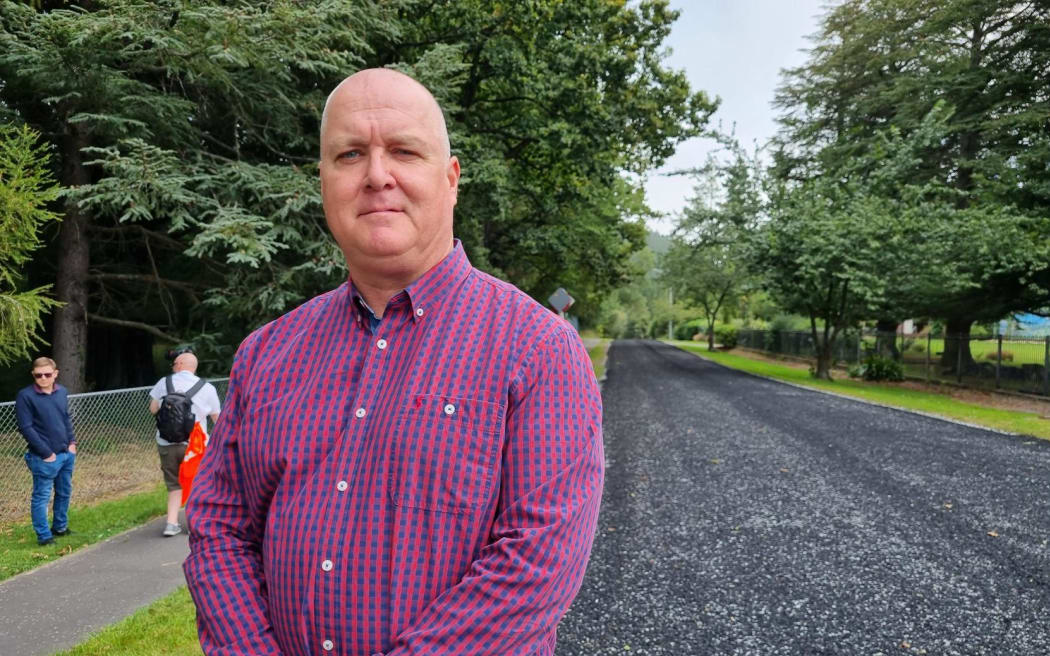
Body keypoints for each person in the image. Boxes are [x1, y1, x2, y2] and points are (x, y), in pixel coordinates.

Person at [184, 68, 605, 656]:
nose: (377, 176)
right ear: (324, 182)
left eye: (404, 151)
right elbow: (218, 531)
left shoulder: (537, 349)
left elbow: (537, 563)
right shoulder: (266, 354)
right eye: (350, 154)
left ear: (452, 179)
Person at [148, 351, 221, 537]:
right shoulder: (207, 388)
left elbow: (153, 409)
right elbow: (217, 419)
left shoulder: (164, 383)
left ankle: (171, 524)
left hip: (166, 442)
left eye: (174, 363)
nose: (173, 366)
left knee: (174, 484)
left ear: (180, 364)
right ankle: (193, 524)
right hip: (194, 446)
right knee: (197, 483)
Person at [16, 357, 76, 546]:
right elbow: (26, 428)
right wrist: (46, 453)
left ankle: (60, 527)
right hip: (44, 458)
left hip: (66, 454)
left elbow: (65, 418)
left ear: (55, 374)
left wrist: (72, 443)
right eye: (38, 375)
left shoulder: (62, 392)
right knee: (41, 497)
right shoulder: (25, 396)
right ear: (33, 375)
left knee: (64, 492)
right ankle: (44, 536)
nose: (43, 378)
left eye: (47, 374)